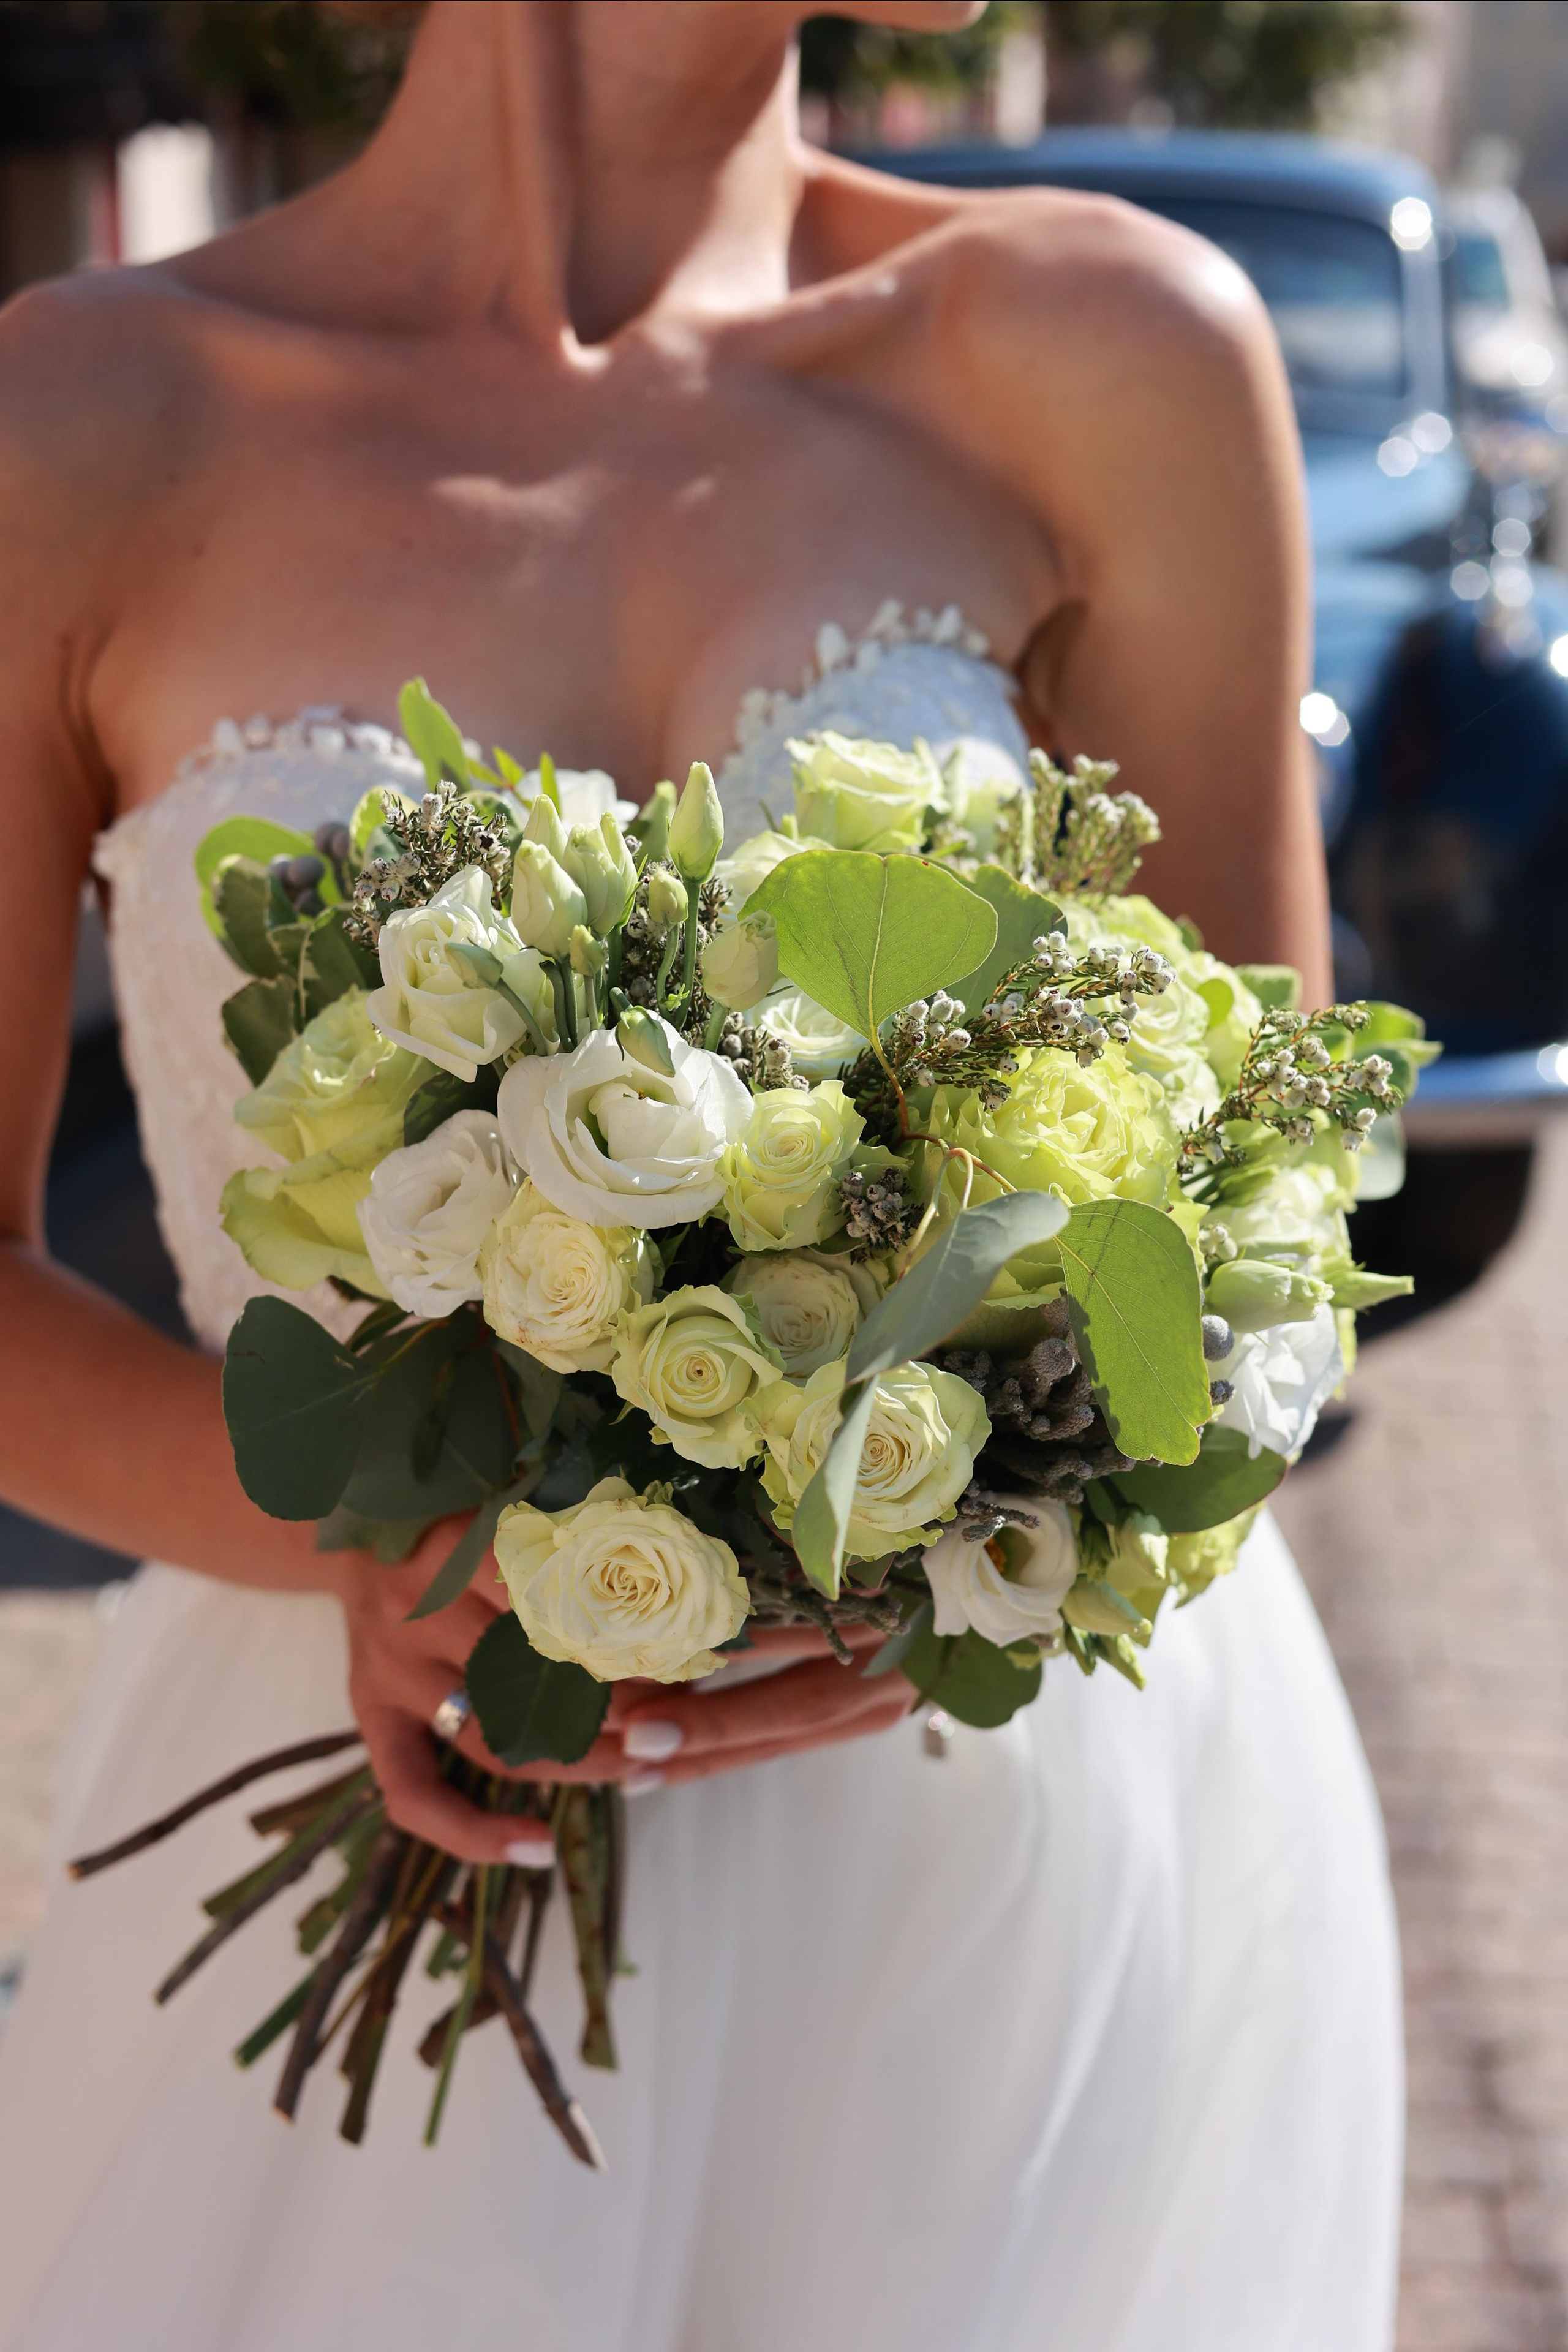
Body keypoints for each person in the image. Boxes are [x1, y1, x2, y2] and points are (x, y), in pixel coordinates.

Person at [0, 5, 1400, 2346]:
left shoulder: (1106, 349)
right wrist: (389, 1543)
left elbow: (1272, 1232)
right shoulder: (77, 423)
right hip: (388, 1820)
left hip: (1009, 1870)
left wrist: (958, 1529)